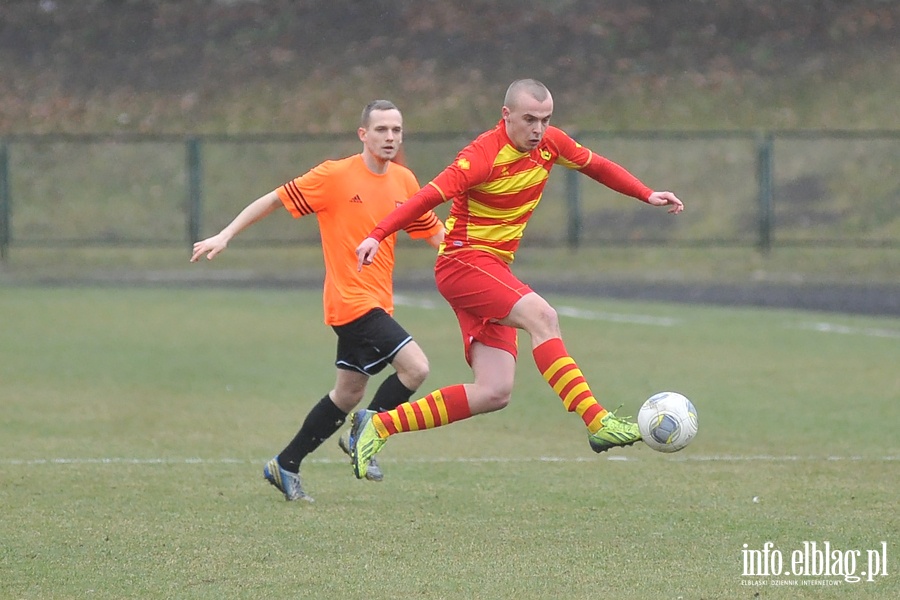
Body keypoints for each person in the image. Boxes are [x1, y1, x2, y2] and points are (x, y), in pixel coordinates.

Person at [348, 79, 684, 480]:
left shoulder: (550, 144)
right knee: (543, 317)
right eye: (529, 119)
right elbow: (426, 198)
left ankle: (379, 424)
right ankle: (598, 422)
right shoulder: (480, 157)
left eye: (545, 119)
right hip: (463, 263)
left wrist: (646, 194)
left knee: (494, 391)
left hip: (493, 269)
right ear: (506, 115)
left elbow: (597, 166)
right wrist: (376, 234)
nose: (538, 129)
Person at [190, 100, 444, 501]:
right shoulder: (335, 175)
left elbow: (433, 234)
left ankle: (286, 464)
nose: (390, 137)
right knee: (416, 368)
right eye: (381, 129)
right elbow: (273, 199)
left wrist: (473, 257)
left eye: (396, 130)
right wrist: (226, 234)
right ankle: (370, 430)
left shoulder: (405, 181)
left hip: (378, 301)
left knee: (348, 393)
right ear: (363, 134)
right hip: (350, 301)